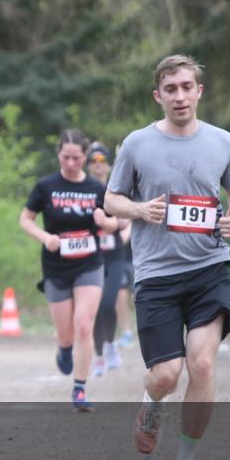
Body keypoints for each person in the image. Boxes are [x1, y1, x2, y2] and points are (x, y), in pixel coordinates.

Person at [104, 54, 230, 460]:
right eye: (171, 89)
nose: (180, 96)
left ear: (199, 91)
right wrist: (139, 209)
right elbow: (111, 201)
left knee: (202, 363)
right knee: (167, 374)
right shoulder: (136, 144)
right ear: (158, 96)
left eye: (187, 87)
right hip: (157, 275)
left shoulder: (224, 142)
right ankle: (151, 402)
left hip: (210, 267)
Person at [20, 130, 119, 411]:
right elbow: (25, 219)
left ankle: (80, 388)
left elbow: (115, 224)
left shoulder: (97, 189)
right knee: (66, 334)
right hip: (55, 266)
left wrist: (105, 221)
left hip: (90, 263)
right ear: (58, 154)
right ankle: (64, 348)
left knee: (84, 324)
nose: (71, 163)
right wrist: (45, 238)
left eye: (77, 158)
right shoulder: (45, 186)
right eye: (66, 157)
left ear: (85, 157)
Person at [85, 142, 126, 377]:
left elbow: (128, 218)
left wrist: (125, 232)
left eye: (102, 160)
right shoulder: (84, 192)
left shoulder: (116, 190)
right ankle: (99, 355)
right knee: (95, 308)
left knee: (109, 303)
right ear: (88, 165)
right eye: (93, 161)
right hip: (91, 259)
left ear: (109, 165)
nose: (98, 165)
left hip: (115, 257)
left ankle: (110, 345)